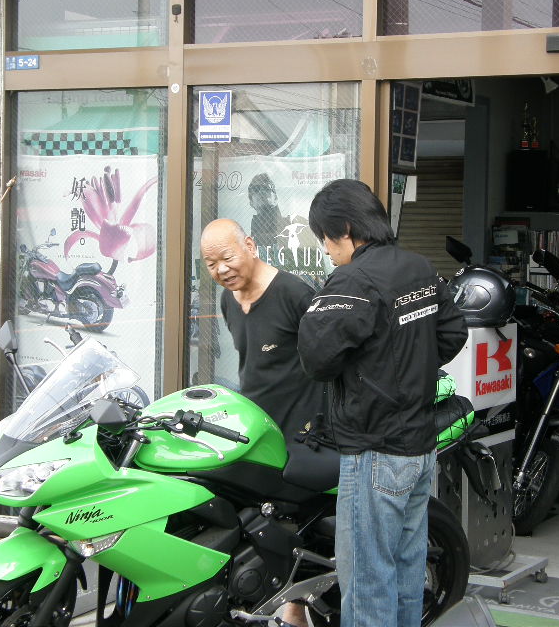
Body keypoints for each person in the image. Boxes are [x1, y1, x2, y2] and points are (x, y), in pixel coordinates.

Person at [297, 179, 467, 627]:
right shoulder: (418, 267)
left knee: (368, 582)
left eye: (325, 237)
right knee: (407, 575)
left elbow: (316, 358)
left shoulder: (352, 280)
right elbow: (453, 332)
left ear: (345, 229)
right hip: (420, 449)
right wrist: (410, 369)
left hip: (374, 451)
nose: (326, 249)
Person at [200, 218, 323, 627]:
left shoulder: (294, 293)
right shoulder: (228, 300)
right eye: (210, 264)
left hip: (303, 431)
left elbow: (329, 357)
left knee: (299, 521)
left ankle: (297, 608)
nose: (221, 270)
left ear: (251, 246)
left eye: (227, 257)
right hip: (257, 429)